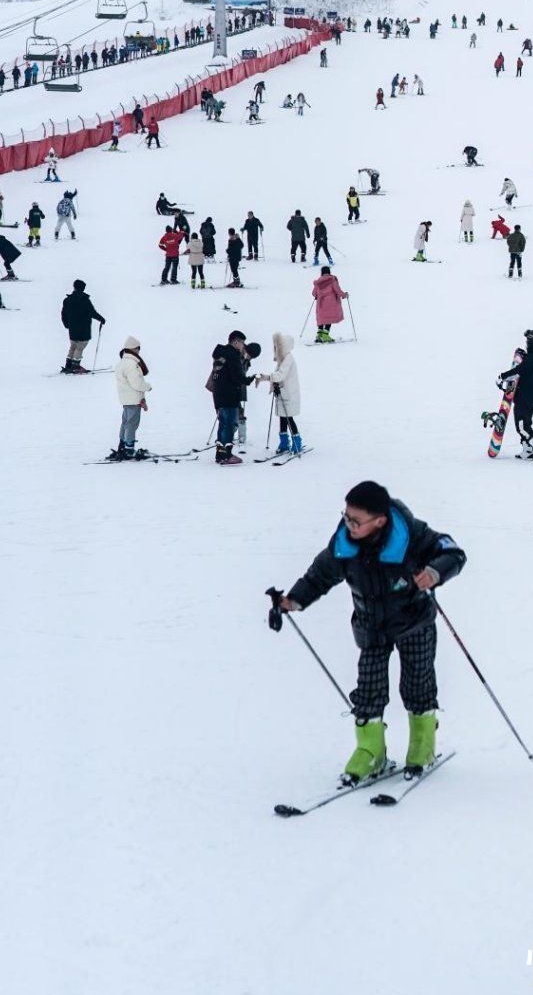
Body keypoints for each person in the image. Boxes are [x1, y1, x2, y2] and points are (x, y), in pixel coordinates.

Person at [273, 480, 466, 784]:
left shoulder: (411, 534)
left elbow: (453, 552)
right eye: (346, 516)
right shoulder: (345, 544)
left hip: (414, 621)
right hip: (371, 625)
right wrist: (292, 601)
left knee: (418, 684)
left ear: (380, 521)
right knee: (369, 691)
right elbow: (319, 575)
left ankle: (422, 746)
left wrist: (435, 571)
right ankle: (370, 751)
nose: (348, 524)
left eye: (356, 520)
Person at [209, 331, 254, 464]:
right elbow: (237, 377)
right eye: (241, 342)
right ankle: (226, 456)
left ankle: (220, 454)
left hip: (219, 395)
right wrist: (250, 379)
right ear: (235, 342)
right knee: (229, 425)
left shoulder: (220, 353)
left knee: (222, 424)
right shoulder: (233, 355)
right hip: (229, 395)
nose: (242, 345)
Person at [505, 328, 533, 457]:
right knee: (524, 423)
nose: (526, 343)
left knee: (522, 426)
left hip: (526, 397)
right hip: (529, 396)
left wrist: (503, 376)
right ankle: (528, 450)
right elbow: (526, 368)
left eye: (528, 341)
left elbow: (520, 370)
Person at [264, 332, 302, 452]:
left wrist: (268, 377)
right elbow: (278, 375)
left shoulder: (288, 359)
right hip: (282, 394)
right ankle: (284, 443)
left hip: (289, 394)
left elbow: (281, 375)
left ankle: (297, 442)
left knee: (289, 418)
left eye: (278, 346)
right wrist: (273, 383)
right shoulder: (282, 359)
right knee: (282, 418)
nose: (276, 349)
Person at [113, 335, 151, 459]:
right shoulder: (132, 364)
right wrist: (147, 386)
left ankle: (122, 445)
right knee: (132, 424)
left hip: (126, 399)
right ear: (133, 349)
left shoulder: (123, 362)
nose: (139, 351)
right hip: (133, 398)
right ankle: (129, 449)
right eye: (138, 348)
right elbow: (136, 383)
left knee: (125, 422)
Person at [61, 278, 105, 372]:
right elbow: (92, 312)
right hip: (84, 329)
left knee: (73, 346)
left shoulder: (67, 300)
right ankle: (75, 366)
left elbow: (63, 314)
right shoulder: (85, 300)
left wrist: (66, 324)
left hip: (72, 328)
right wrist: (101, 319)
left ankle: (68, 365)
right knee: (80, 347)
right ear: (83, 288)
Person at [312, 266, 348, 342]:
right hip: (331, 303)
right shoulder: (332, 280)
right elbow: (337, 290)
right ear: (329, 272)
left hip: (320, 304)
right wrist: (344, 295)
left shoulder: (318, 282)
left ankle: (319, 335)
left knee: (322, 319)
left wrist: (317, 295)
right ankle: (325, 335)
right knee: (329, 318)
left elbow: (314, 293)